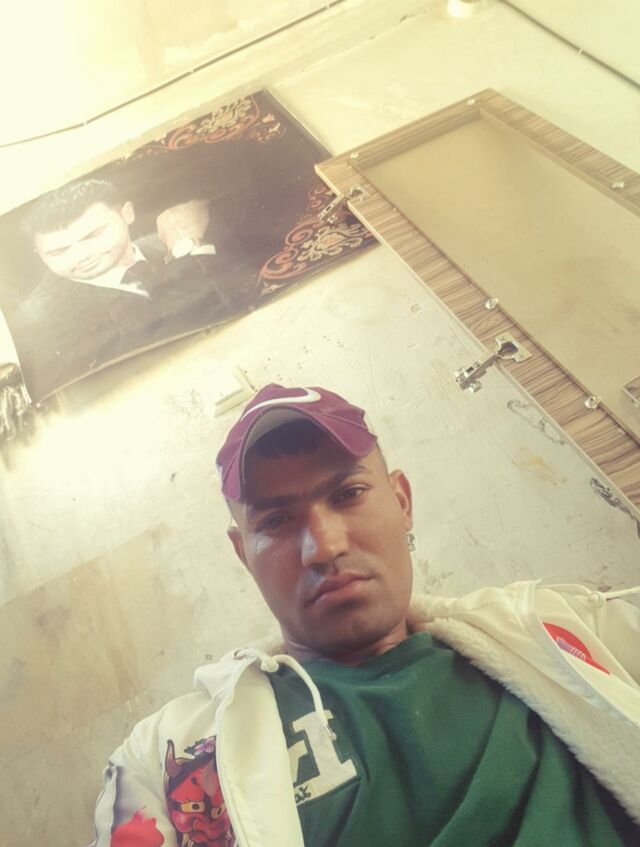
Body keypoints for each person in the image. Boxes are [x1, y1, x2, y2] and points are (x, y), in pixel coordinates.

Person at [92, 384, 640, 846]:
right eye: (277, 522)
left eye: (349, 493)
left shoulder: (560, 630)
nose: (324, 546)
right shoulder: (164, 754)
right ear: (243, 554)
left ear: (401, 501)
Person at [12, 179, 251, 401]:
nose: (81, 256)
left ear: (127, 213)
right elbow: (176, 339)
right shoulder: (37, 320)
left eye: (93, 235)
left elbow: (246, 293)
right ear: (40, 256)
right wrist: (187, 246)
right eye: (58, 251)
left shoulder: (168, 239)